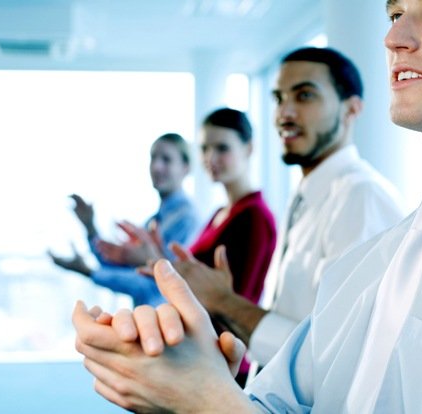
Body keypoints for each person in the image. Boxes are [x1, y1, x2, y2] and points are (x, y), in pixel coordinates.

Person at [74, 0, 422, 411]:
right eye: (394, 13)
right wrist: (191, 378)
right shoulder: (378, 256)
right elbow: (276, 402)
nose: (393, 38)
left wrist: (208, 403)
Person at [163, 47, 405, 371]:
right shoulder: (306, 197)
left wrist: (223, 301)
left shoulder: (361, 197)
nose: (284, 113)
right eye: (279, 98)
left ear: (351, 109)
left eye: (304, 96)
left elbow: (339, 354)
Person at [130, 107, 277, 386]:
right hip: (204, 357)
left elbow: (236, 300)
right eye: (205, 148)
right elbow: (199, 281)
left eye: (222, 148)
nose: (211, 157)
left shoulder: (254, 216)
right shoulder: (221, 212)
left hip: (225, 362)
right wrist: (159, 260)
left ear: (248, 149)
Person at [49, 133, 200, 306]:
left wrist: (89, 272)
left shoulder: (187, 219)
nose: (156, 166)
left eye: (166, 159)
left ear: (186, 168)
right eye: (153, 158)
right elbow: (118, 267)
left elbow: (155, 286)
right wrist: (90, 228)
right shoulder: (153, 221)